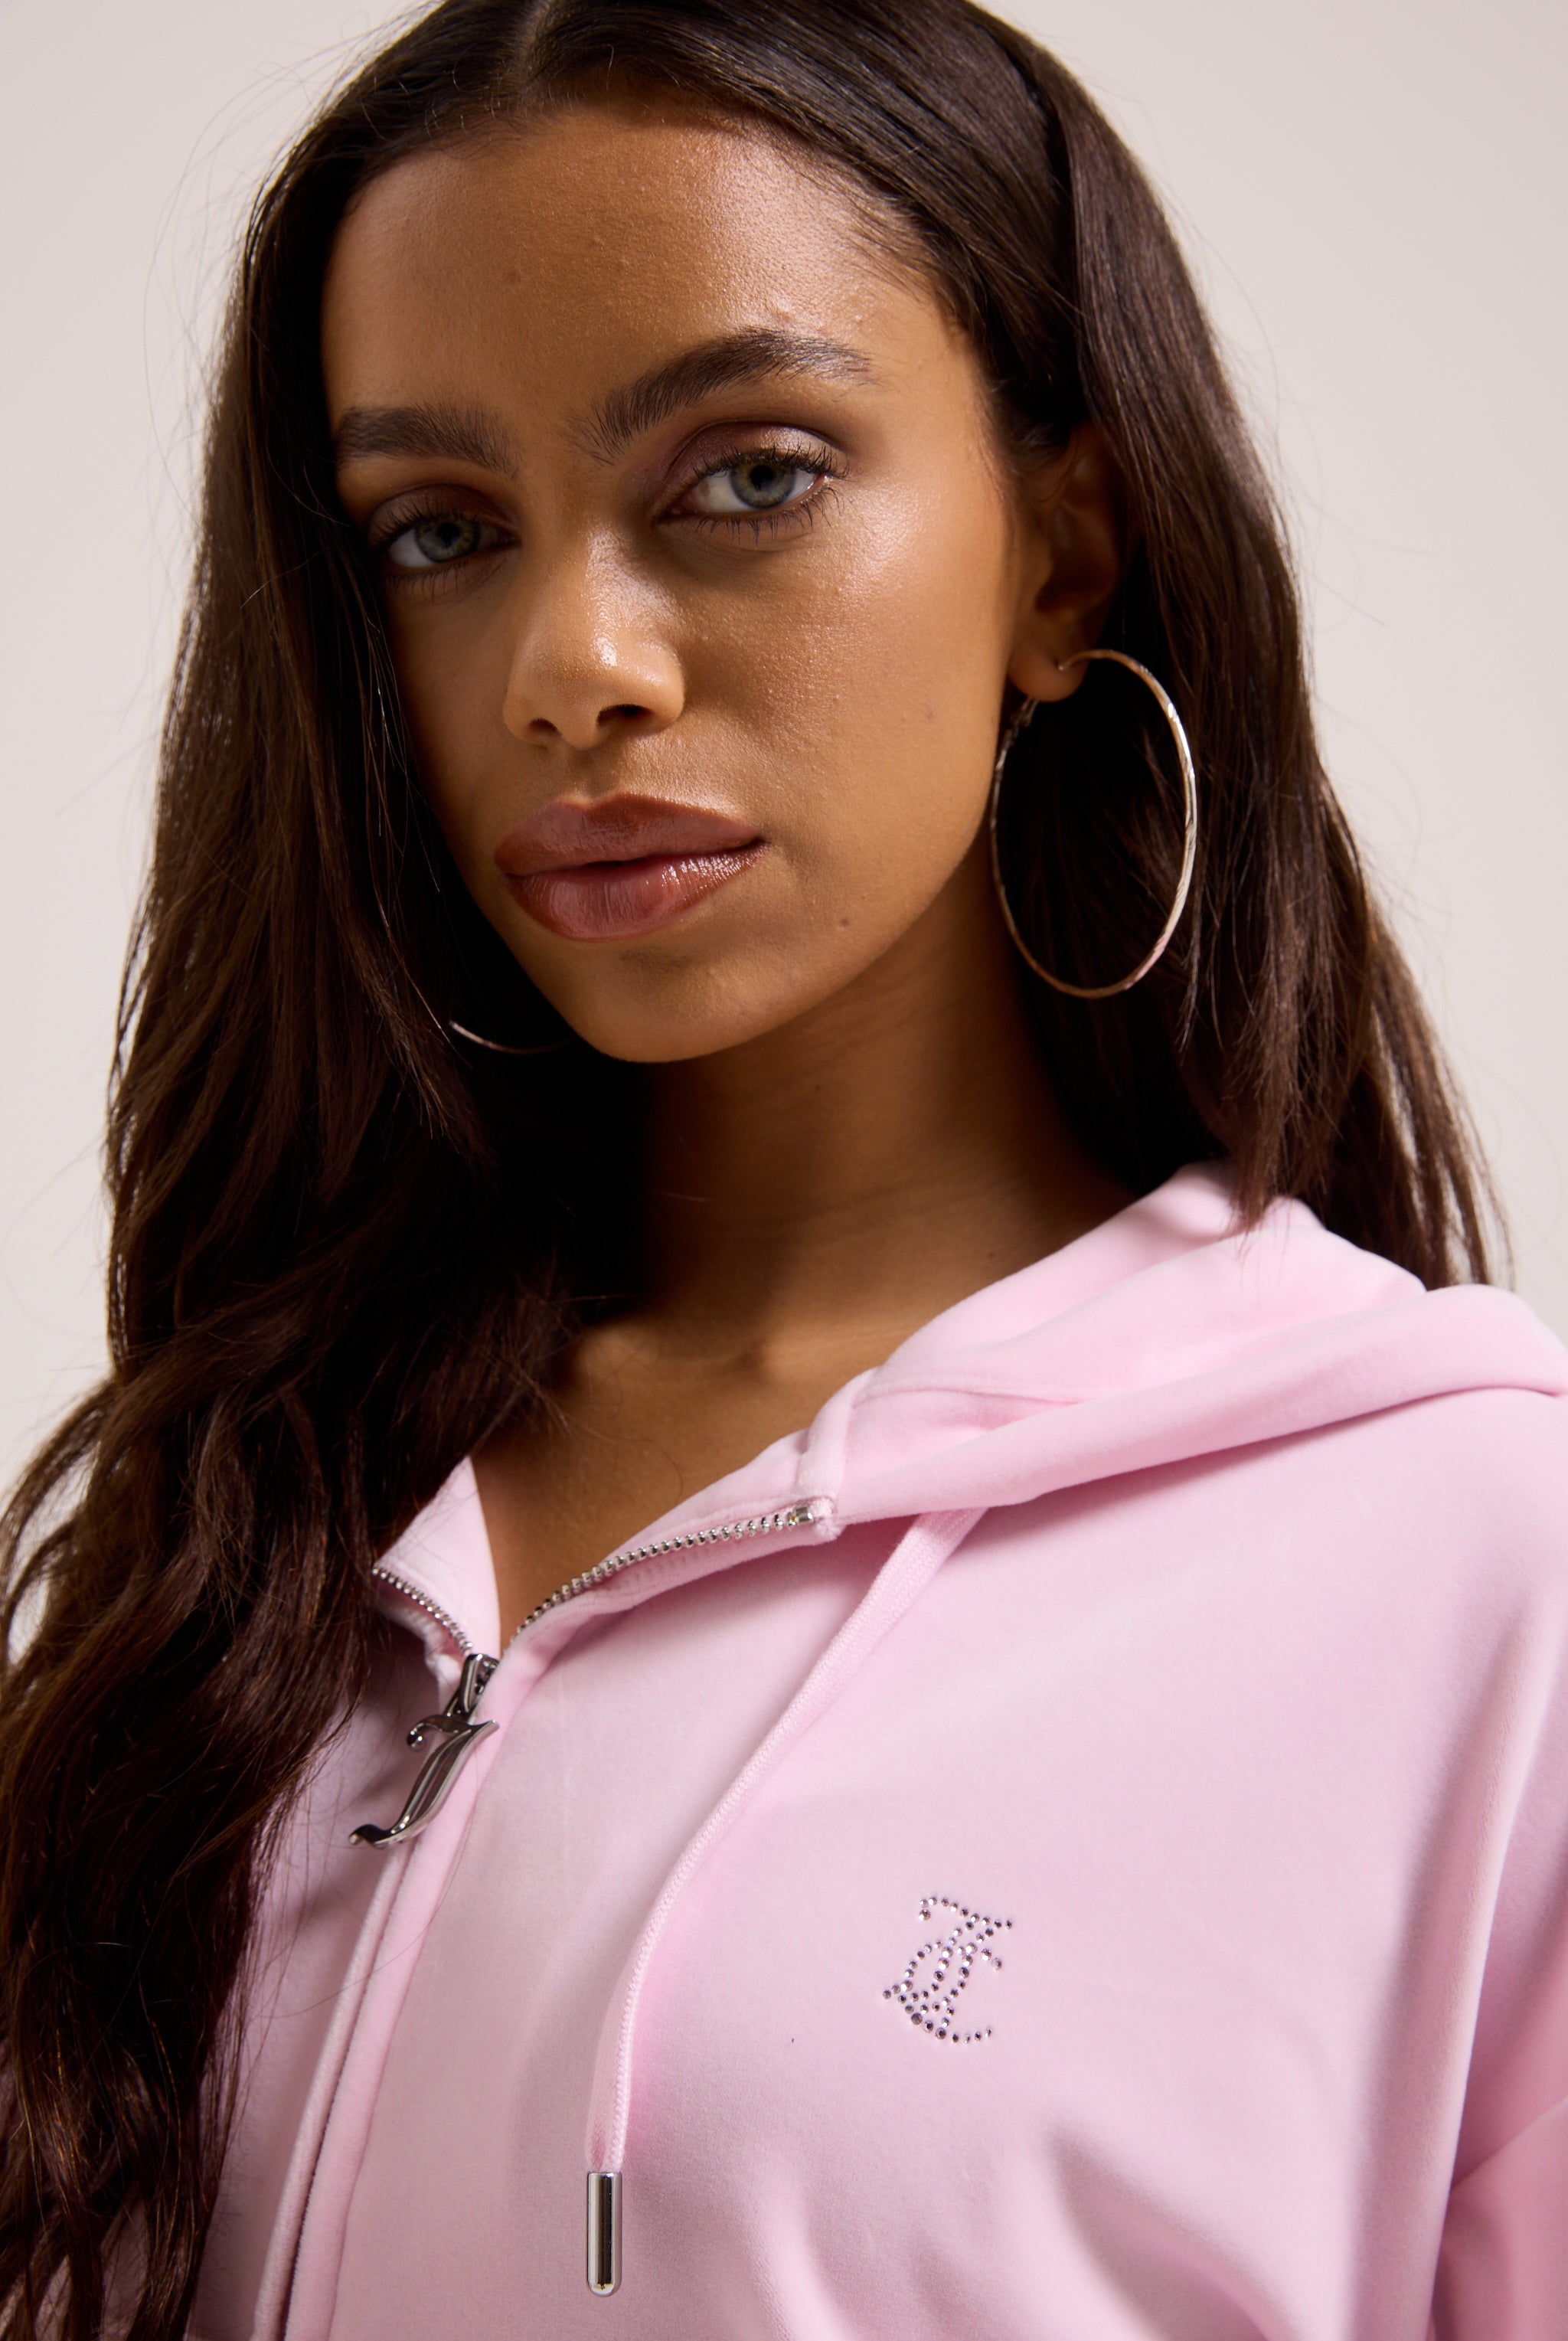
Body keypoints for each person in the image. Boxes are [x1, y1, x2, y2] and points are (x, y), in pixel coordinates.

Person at [3, 1, 1566, 2333]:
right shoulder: (256, 1509)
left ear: (1067, 555)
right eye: (440, 530)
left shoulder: (1480, 1563)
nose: (571, 665)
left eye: (748, 476)